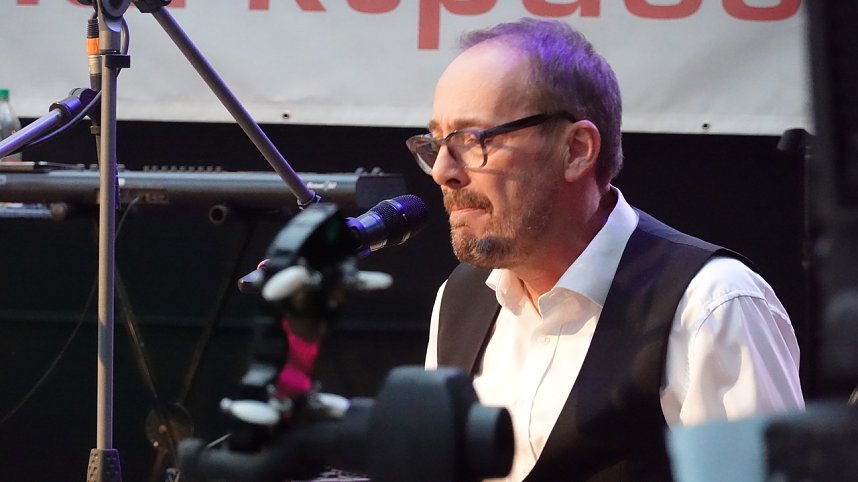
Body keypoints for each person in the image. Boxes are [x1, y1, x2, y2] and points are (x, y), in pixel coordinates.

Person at [407, 18, 805, 482]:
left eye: (473, 141)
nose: (442, 171)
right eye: (436, 143)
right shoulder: (461, 297)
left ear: (576, 149)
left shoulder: (713, 304)